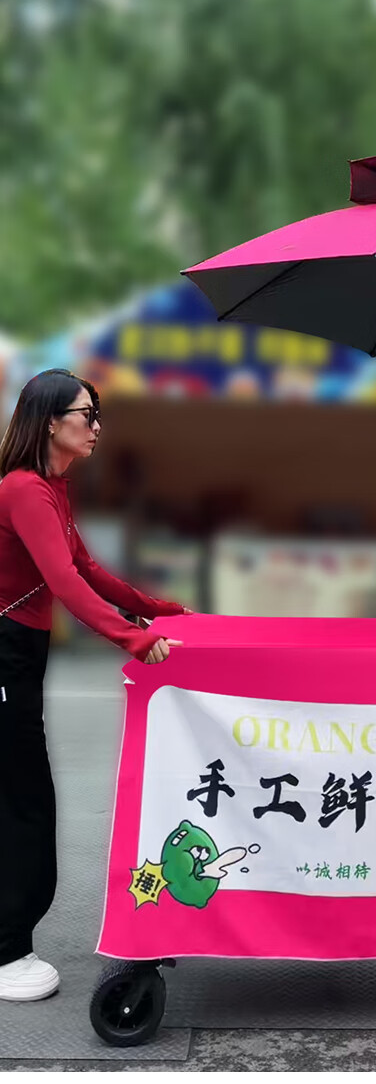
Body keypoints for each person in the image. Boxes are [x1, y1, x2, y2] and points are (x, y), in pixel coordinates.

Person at [0, 369, 189, 1003]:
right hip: (5, 653)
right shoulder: (25, 489)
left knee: (23, 794)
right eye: (86, 414)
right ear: (51, 421)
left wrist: (154, 608)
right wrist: (132, 638)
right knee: (23, 801)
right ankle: (6, 951)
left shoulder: (52, 487)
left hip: (20, 651)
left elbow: (85, 566)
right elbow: (63, 581)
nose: (96, 426)